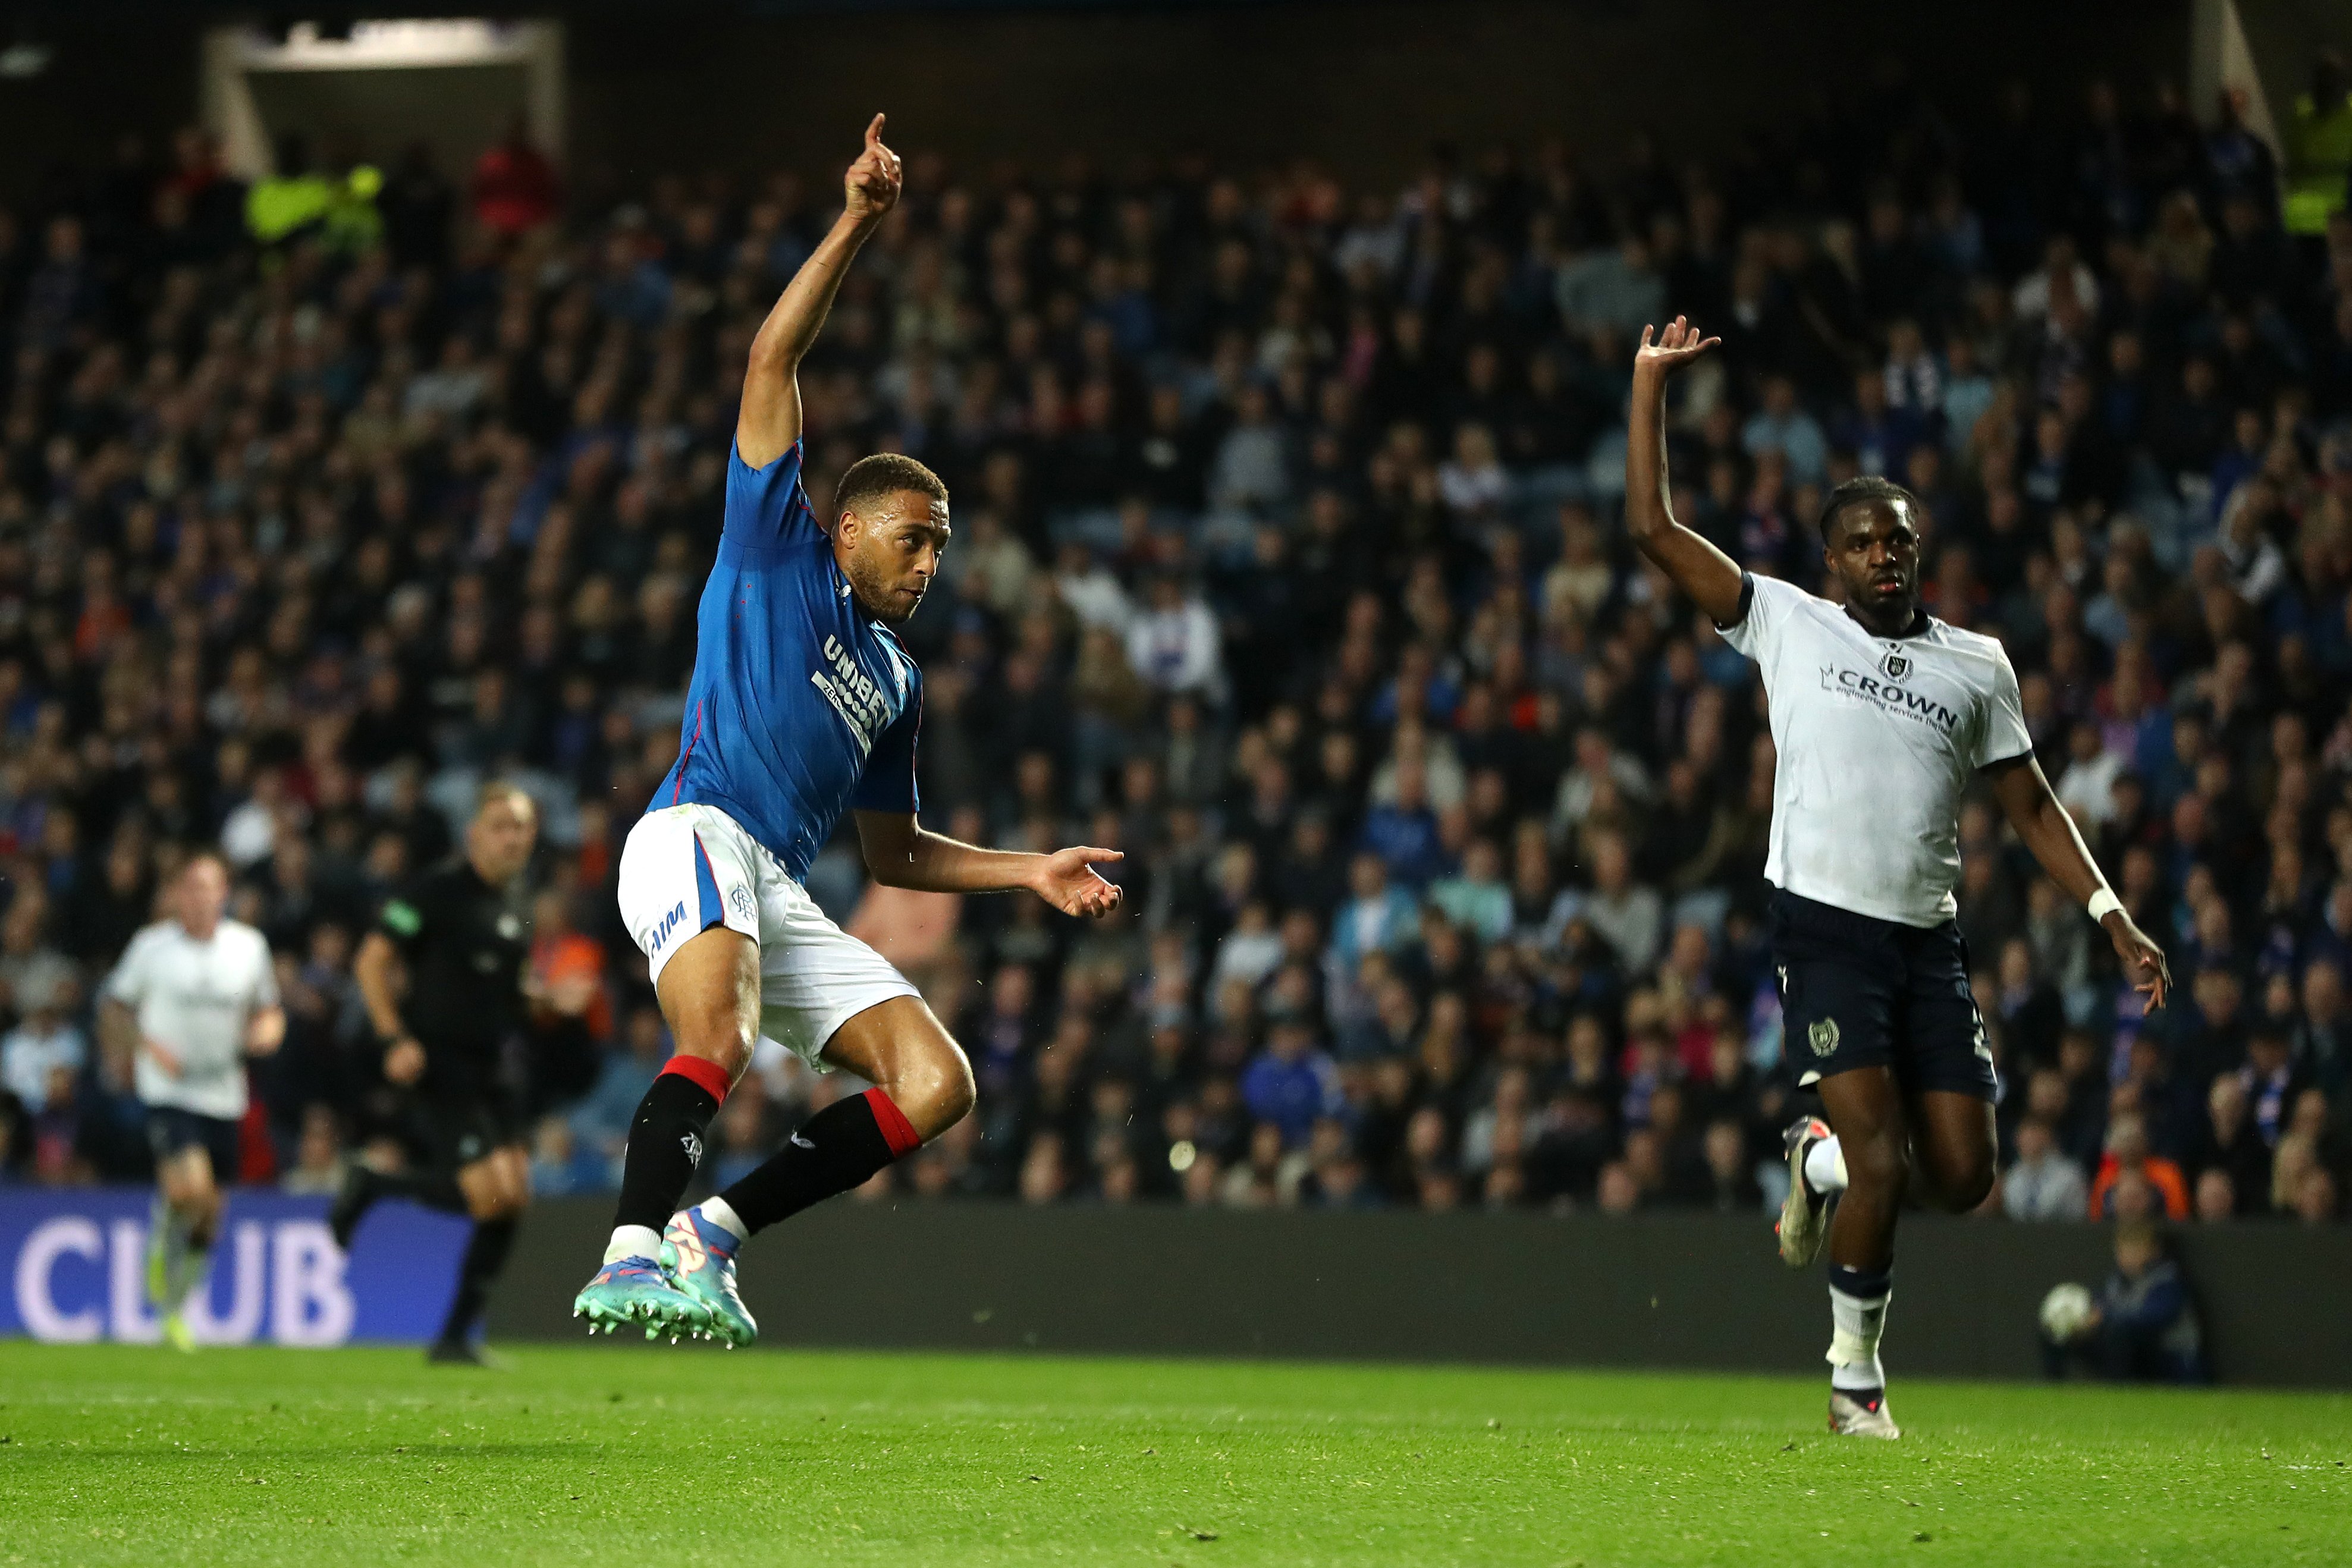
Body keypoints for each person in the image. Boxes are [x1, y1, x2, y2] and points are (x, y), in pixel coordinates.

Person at [571, 115, 1123, 1345]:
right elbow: (771, 358)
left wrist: (1028, 868)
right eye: (915, 539)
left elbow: (896, 853)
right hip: (694, 832)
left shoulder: (897, 679)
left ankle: (714, 1232)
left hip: (777, 888)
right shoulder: (774, 545)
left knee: (937, 1082)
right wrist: (859, 221)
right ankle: (627, 1253)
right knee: (715, 1035)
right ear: (852, 528)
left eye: (942, 549)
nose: (930, 564)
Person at [1624, 318, 2171, 1438]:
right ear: (1832, 561)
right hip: (1824, 929)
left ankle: (1817, 1163)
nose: (1885, 555)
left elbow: (2030, 805)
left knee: (1963, 1174)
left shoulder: (1977, 666)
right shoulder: (1785, 620)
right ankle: (1854, 1383)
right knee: (1883, 1159)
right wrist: (1648, 387)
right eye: (1865, 543)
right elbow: (1652, 528)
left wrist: (2110, 911)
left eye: (1901, 541)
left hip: (1926, 939)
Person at [330, 784, 543, 1365]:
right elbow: (371, 960)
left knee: (513, 1199)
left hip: (496, 1066)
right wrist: (392, 1036)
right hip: (442, 1061)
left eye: (522, 826)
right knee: (489, 1197)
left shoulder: (518, 901)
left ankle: (454, 1339)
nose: (513, 837)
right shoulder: (436, 890)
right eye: (501, 825)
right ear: (474, 834)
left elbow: (506, 991)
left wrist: (546, 1000)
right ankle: (372, 1185)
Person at [98, 854, 284, 1350]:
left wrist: (267, 1031)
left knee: (210, 1213)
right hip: (168, 1088)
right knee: (191, 1188)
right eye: (192, 887)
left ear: (224, 893)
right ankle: (162, 1234)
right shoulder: (151, 947)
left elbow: (269, 1009)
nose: (201, 896)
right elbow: (116, 1006)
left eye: (210, 887)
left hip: (224, 1091)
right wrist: (146, 1046)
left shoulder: (248, 947)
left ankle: (176, 1311)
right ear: (179, 894)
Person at [2040, 1221, 2206, 1383]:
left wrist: (2104, 1318)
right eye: (2124, 1251)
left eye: (2136, 1250)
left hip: (2171, 1358)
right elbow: (2101, 1304)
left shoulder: (2167, 1280)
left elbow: (2154, 1319)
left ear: (2154, 1251)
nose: (2129, 1257)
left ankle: (2118, 1390)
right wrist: (2084, 1320)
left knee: (2119, 1334)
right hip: (2138, 1355)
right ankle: (2055, 1388)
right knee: (2058, 1330)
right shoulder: (2116, 1282)